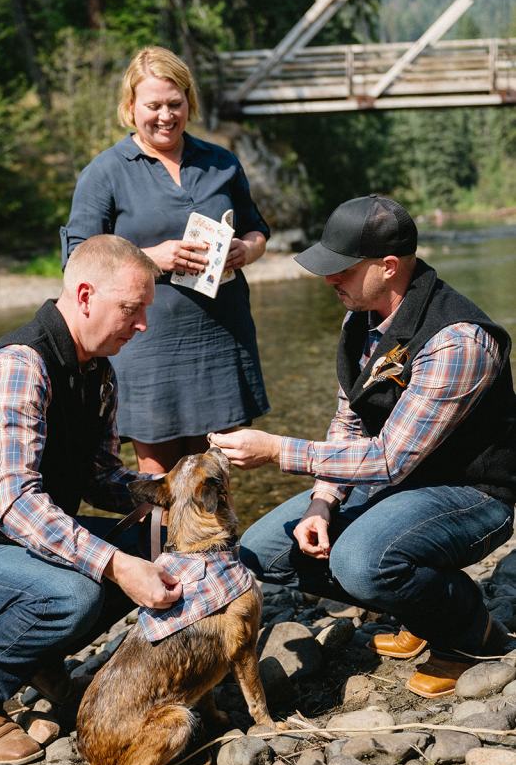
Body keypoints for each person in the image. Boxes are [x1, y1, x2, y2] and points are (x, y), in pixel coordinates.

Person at [211, 194, 516, 698]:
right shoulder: (363, 315)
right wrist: (321, 501)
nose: (328, 279)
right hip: (401, 483)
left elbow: (388, 458)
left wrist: (276, 450)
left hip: (474, 493)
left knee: (361, 562)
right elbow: (349, 422)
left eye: (342, 269)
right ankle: (420, 603)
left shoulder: (458, 340)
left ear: (389, 267)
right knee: (266, 553)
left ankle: (468, 633)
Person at [0, 236, 183, 765]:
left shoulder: (98, 371)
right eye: (132, 308)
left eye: (145, 308)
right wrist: (116, 564)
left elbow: (101, 476)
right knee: (73, 594)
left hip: (19, 546)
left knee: (163, 541)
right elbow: (13, 502)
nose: (142, 322)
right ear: (84, 295)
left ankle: (36, 653)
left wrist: (171, 491)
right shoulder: (19, 366)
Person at [62, 45, 270, 474]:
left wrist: (246, 250)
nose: (165, 115)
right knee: (158, 484)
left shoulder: (221, 162)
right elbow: (76, 259)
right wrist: (149, 258)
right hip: (146, 342)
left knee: (215, 475)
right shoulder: (105, 172)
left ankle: (215, 545)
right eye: (153, 105)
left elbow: (258, 229)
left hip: (221, 334)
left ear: (189, 103)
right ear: (130, 107)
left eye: (175, 104)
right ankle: (156, 546)